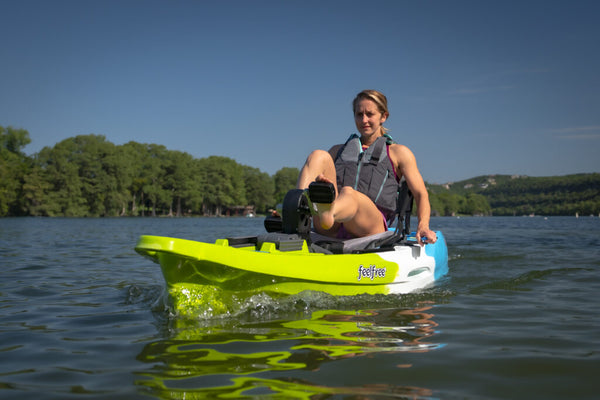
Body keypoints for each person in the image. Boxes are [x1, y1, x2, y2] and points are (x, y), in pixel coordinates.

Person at [296, 89, 437, 246]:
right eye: (359, 114)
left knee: (349, 193)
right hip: (331, 226)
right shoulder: (337, 151)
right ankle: (295, 214)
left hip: (369, 227)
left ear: (383, 116)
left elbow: (421, 194)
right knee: (318, 155)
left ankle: (329, 211)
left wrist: (423, 226)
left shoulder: (399, 153)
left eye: (370, 114)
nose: (364, 120)